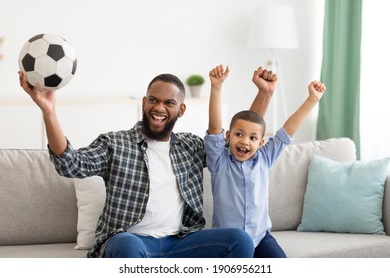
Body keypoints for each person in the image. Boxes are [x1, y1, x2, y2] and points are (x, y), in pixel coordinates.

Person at [18, 70, 266, 258]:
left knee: (239, 240)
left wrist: (264, 94)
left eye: (169, 103)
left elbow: (240, 144)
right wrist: (49, 112)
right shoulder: (115, 143)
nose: (159, 108)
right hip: (133, 243)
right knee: (126, 243)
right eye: (153, 100)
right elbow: (70, 165)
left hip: (181, 242)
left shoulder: (191, 146)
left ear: (181, 110)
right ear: (144, 103)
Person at [204, 64, 326, 258]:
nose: (245, 141)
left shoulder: (265, 158)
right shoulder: (219, 162)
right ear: (228, 136)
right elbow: (214, 127)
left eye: (252, 138)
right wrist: (216, 87)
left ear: (261, 143)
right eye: (239, 134)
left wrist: (312, 100)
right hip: (228, 241)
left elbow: (288, 131)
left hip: (260, 238)